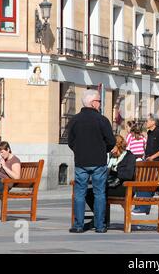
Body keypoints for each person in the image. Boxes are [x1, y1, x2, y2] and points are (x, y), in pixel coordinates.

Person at [67, 89, 116, 233]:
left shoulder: (75, 120)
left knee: (79, 193)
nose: (100, 104)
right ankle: (100, 226)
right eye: (99, 101)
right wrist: (102, 150)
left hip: (81, 162)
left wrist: (80, 151)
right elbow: (111, 141)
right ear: (93, 103)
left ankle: (78, 225)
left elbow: (70, 141)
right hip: (98, 161)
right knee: (99, 193)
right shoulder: (102, 120)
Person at [85, 135, 136, 212]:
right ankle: (100, 218)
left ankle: (100, 219)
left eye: (111, 146)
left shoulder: (129, 157)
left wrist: (113, 172)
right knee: (88, 193)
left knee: (97, 193)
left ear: (118, 145)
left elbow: (128, 175)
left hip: (124, 188)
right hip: (112, 185)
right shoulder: (112, 157)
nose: (109, 149)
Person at [132, 114, 159, 215]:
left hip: (155, 165)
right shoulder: (149, 133)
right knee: (139, 183)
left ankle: (143, 208)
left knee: (146, 185)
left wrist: (152, 157)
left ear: (153, 122)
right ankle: (138, 207)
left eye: (147, 121)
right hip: (148, 164)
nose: (146, 122)